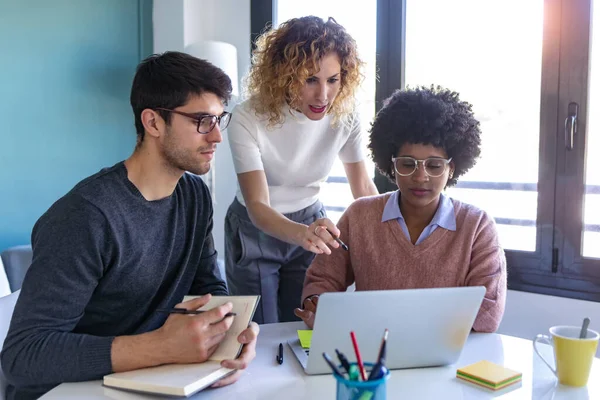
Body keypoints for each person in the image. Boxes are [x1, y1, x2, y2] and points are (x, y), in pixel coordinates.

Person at [0, 52, 259, 400]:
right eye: (201, 121)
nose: (217, 138)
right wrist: (162, 347)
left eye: (218, 120)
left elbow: (208, 286)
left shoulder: (194, 196)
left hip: (149, 381)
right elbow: (24, 355)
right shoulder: (85, 217)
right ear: (153, 123)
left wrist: (232, 335)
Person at [294, 86, 507, 333]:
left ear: (452, 168)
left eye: (434, 165)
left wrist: (400, 317)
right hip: (372, 354)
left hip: (448, 359)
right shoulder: (359, 215)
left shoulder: (477, 227)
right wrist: (316, 304)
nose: (420, 176)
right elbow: (323, 280)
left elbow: (488, 313)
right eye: (408, 164)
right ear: (391, 164)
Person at [225, 16, 379, 324]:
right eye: (310, 80)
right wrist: (302, 235)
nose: (323, 95)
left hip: (310, 222)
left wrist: (390, 237)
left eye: (333, 80)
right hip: (256, 229)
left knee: (304, 328)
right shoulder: (247, 117)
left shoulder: (345, 117)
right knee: (260, 334)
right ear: (283, 75)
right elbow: (258, 205)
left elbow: (363, 190)